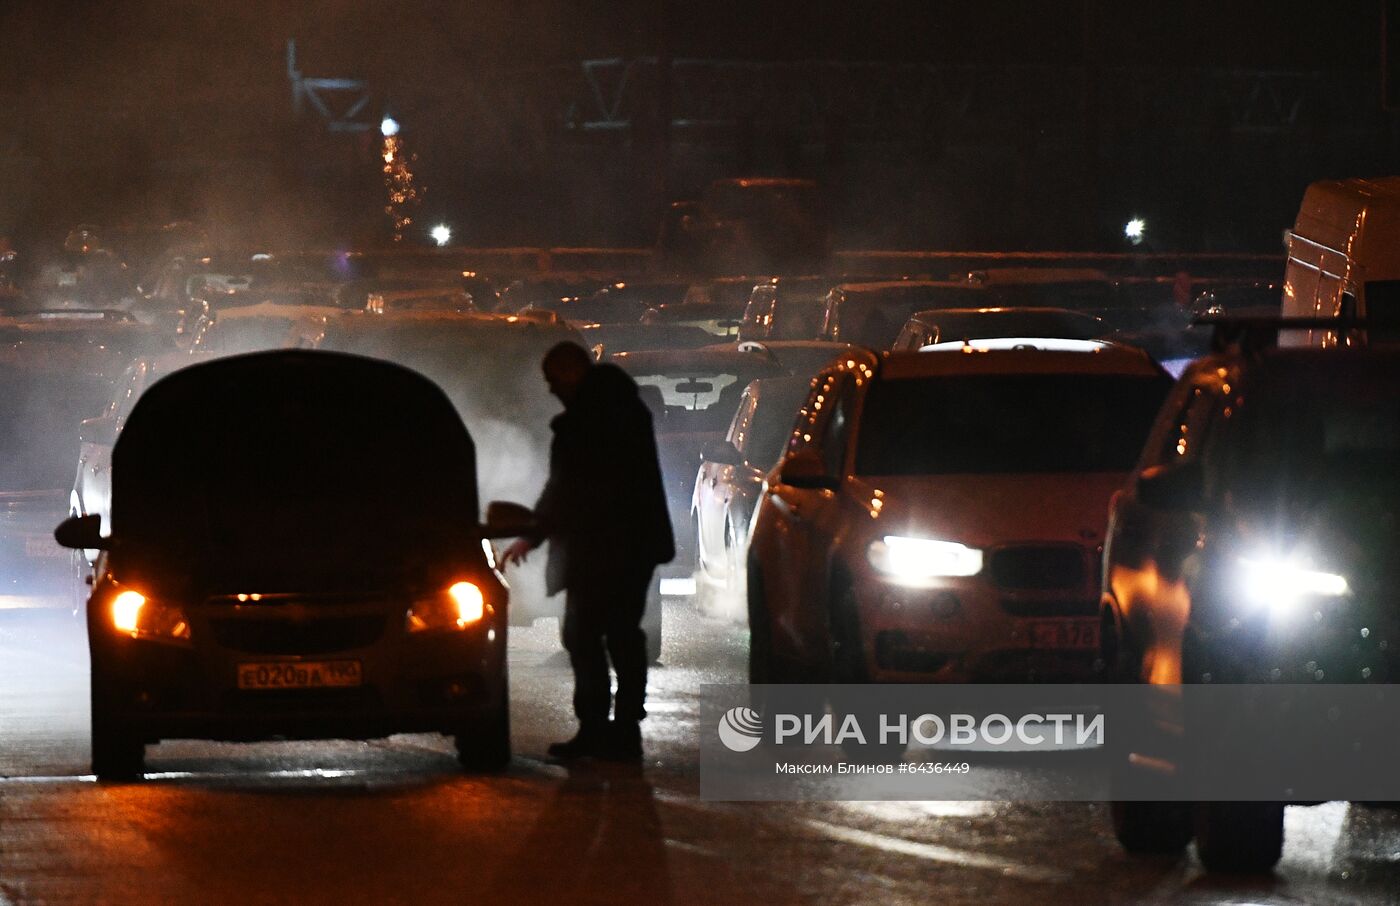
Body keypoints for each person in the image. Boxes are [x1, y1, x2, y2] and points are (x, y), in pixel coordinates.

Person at [501, 341, 674, 761]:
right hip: (633, 546)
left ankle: (596, 729)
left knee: (584, 636)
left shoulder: (584, 425)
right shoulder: (626, 411)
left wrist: (532, 532)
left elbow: (566, 491)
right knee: (622, 635)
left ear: (570, 373)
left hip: (597, 549)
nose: (550, 390)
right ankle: (625, 730)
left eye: (553, 380)